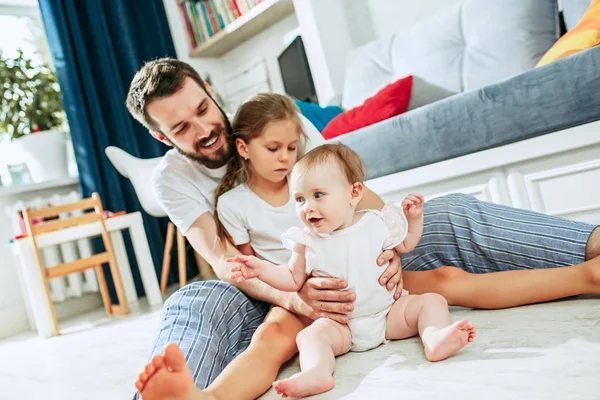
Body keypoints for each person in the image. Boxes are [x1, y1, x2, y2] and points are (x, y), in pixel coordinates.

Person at [125, 58, 600, 400]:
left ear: (210, 92)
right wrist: (297, 296)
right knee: (196, 301)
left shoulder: (278, 124)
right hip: (275, 286)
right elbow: (227, 262)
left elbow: (356, 195)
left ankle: (590, 259)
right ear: (161, 137)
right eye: (182, 128)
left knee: (448, 217)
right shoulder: (180, 181)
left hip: (355, 259)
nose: (204, 129)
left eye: (204, 110)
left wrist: (390, 246)